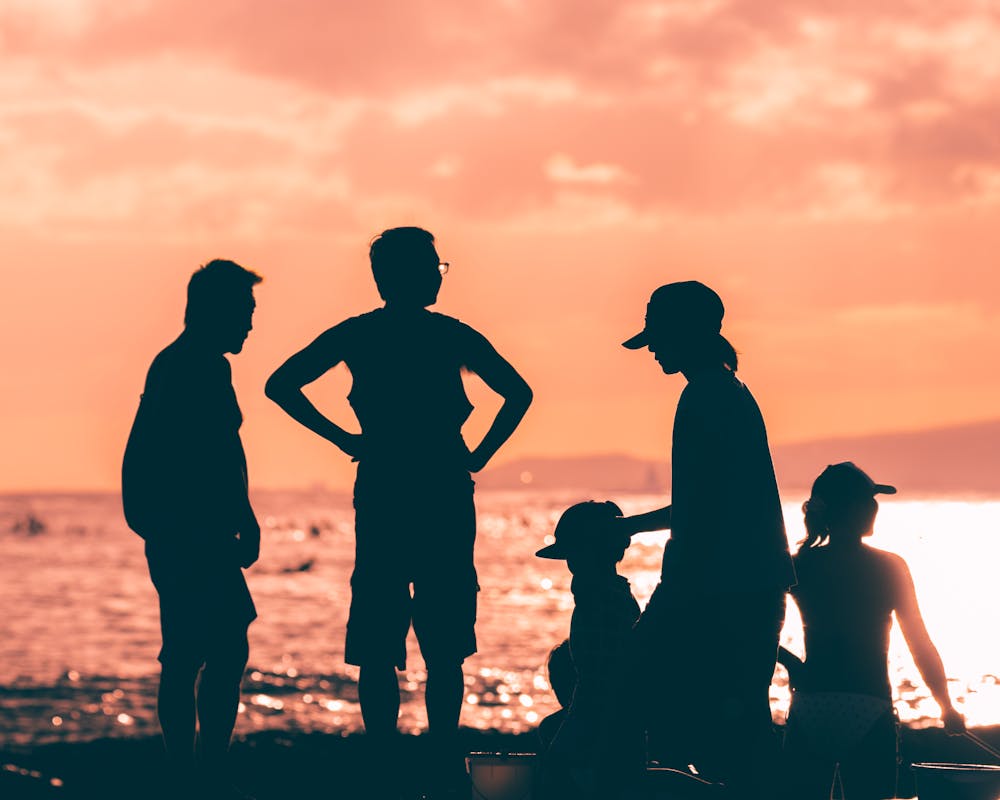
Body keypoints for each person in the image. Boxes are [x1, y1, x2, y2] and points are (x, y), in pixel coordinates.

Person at [264, 226, 532, 796]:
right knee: (443, 639)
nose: (440, 273)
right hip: (440, 490)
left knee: (384, 638)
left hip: (385, 487)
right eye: (436, 265)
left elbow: (281, 384)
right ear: (408, 273)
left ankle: (387, 764)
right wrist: (478, 454)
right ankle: (439, 762)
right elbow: (518, 393)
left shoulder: (360, 335)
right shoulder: (449, 335)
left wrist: (345, 439)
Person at [618, 281, 796, 799]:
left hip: (718, 585)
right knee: (737, 719)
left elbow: (699, 509)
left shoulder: (705, 396)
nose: (652, 348)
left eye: (659, 337)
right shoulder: (724, 389)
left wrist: (626, 529)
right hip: (747, 581)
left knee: (637, 689)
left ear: (689, 332)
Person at [122, 259, 262, 799]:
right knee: (196, 651)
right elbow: (190, 455)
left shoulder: (200, 364)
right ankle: (193, 772)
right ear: (216, 310)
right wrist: (206, 522)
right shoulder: (184, 366)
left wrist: (242, 512)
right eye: (244, 313)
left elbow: (225, 450)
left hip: (194, 531)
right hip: (187, 533)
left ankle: (199, 769)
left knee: (215, 647)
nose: (250, 325)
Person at [779, 462, 965, 800]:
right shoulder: (889, 566)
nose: (874, 508)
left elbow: (754, 623)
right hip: (868, 704)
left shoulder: (800, 564)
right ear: (849, 509)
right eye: (867, 500)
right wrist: (946, 706)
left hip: (810, 706)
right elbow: (919, 642)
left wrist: (790, 663)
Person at [535, 501, 643, 799]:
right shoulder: (615, 596)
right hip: (621, 718)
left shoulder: (597, 600)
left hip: (602, 717)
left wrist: (574, 727)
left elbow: (597, 679)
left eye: (574, 555)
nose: (571, 566)